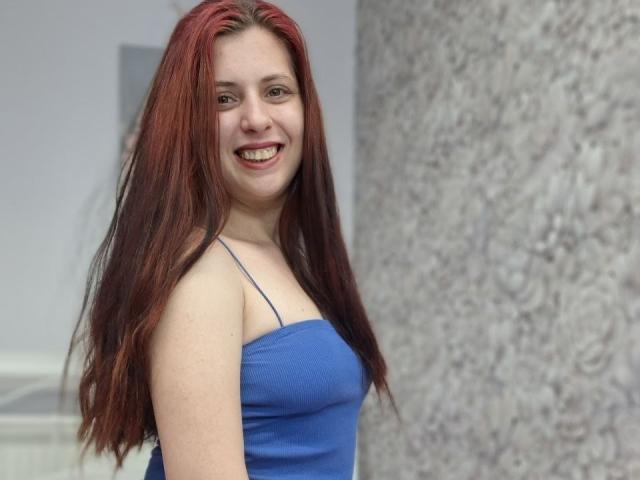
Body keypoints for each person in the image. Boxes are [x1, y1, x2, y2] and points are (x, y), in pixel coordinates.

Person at [62, 1, 399, 478]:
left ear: (306, 107)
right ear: (189, 124)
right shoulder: (202, 278)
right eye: (223, 99)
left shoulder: (287, 257)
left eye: (276, 91)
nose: (256, 118)